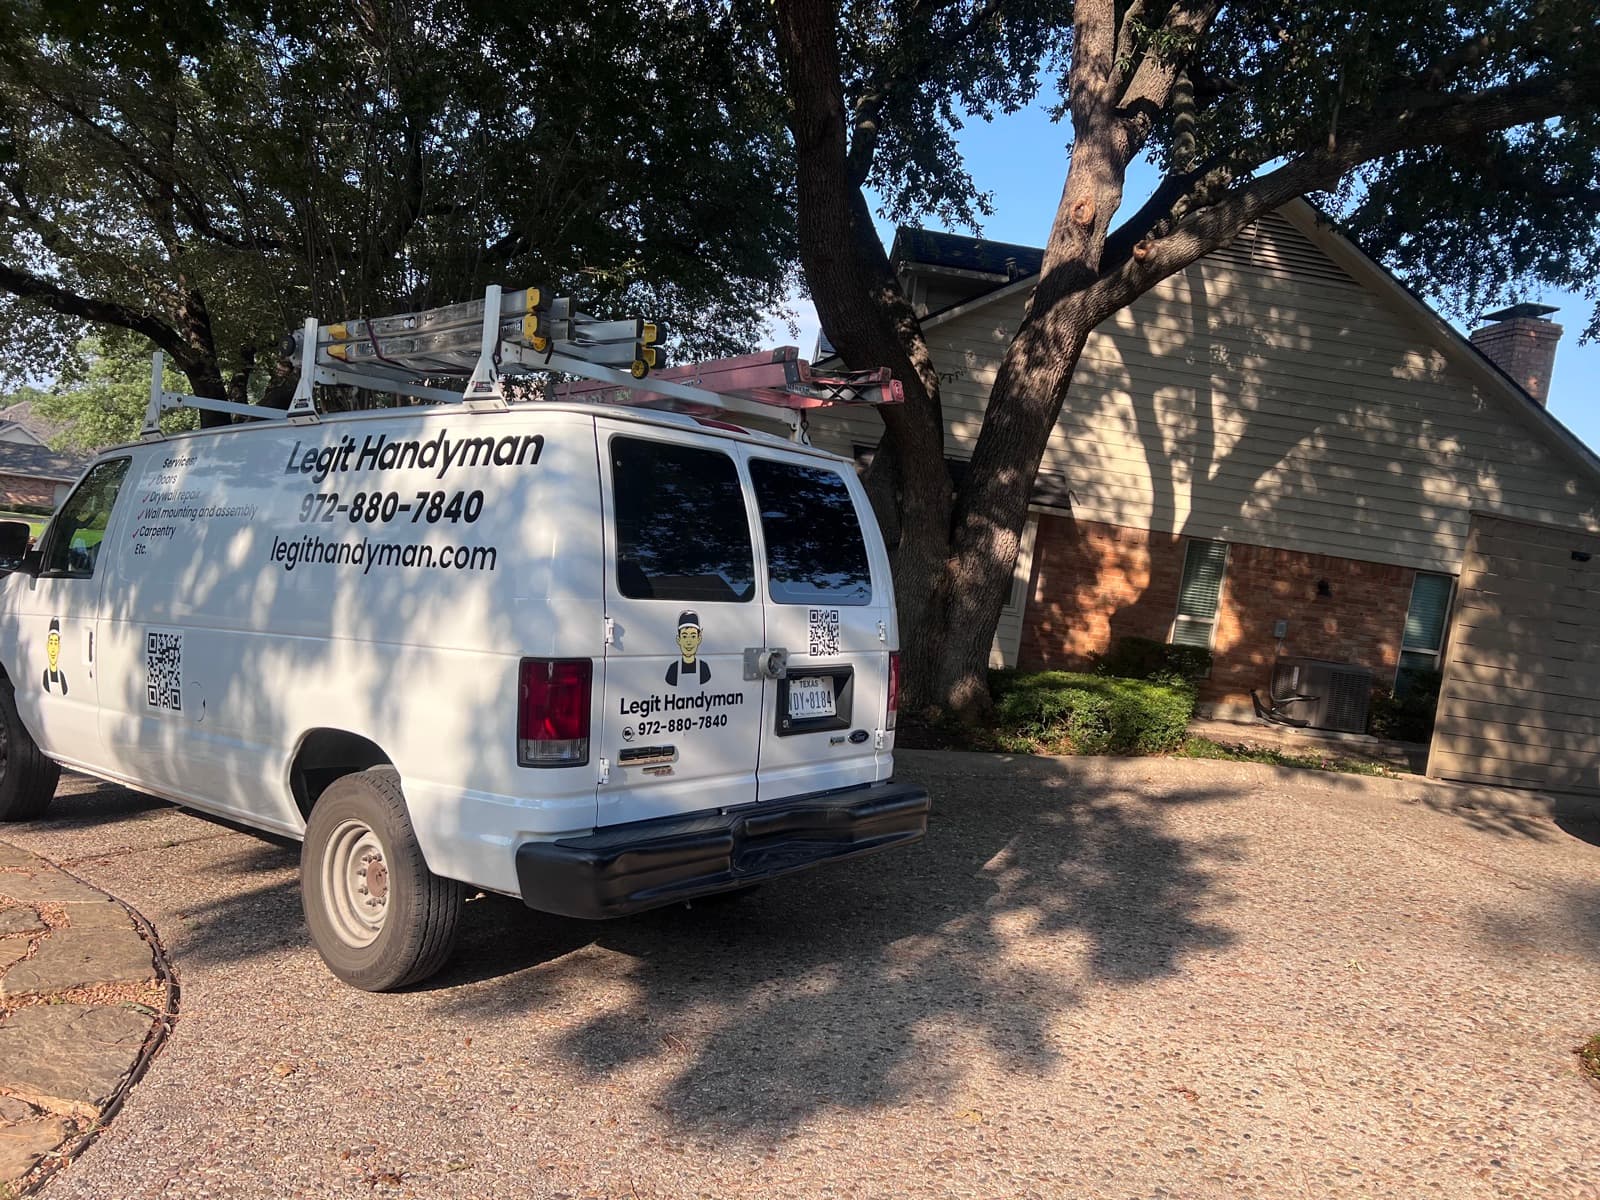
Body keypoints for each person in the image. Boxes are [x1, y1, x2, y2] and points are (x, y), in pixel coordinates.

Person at [665, 610, 711, 686]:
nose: (689, 642)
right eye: (684, 636)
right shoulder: (673, 669)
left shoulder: (703, 667)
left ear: (699, 639)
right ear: (678, 639)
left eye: (693, 636)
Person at [42, 617, 68, 695]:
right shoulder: (45, 675)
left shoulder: (61, 676)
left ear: (59, 647)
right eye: (51, 643)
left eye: (56, 643)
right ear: (47, 646)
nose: (53, 649)